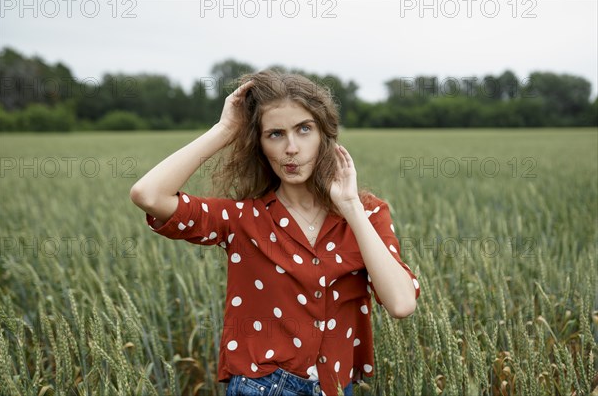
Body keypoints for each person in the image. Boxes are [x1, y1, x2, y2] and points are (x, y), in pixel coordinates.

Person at [129, 70, 421, 396]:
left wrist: (351, 206)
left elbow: (401, 303)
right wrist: (224, 130)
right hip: (263, 387)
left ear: (325, 135)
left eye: (304, 129)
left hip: (337, 387)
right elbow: (148, 195)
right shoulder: (241, 220)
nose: (291, 148)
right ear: (260, 145)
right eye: (275, 134)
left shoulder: (367, 214)